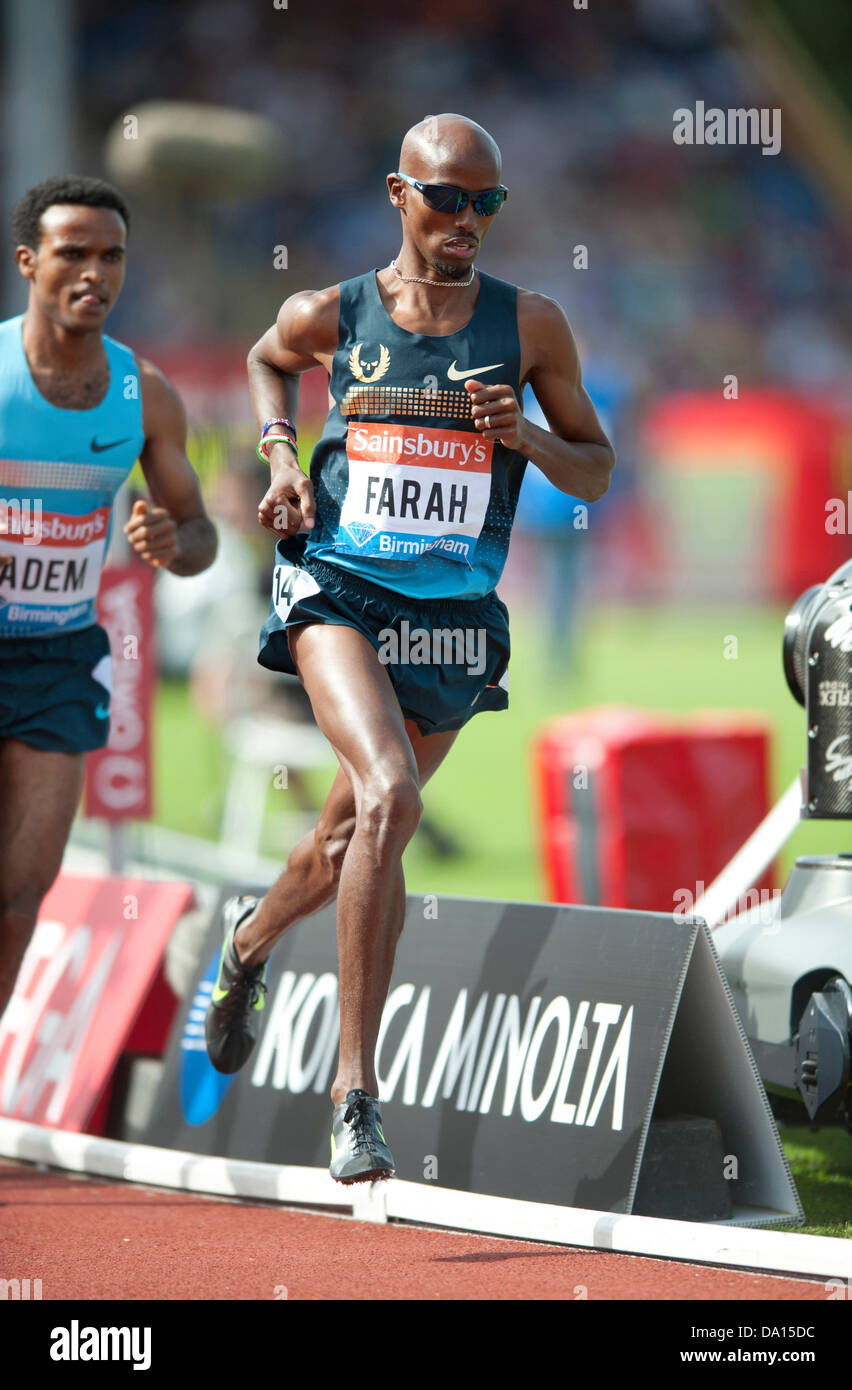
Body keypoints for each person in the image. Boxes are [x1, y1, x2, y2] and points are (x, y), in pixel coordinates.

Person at [205, 114, 614, 1183]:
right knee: (389, 795)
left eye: (488, 203)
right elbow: (264, 357)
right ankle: (356, 1097)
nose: (466, 221)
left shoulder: (532, 328)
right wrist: (281, 456)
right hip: (337, 588)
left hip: (450, 620)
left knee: (345, 846)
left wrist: (521, 433)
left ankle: (245, 942)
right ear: (400, 194)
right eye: (447, 198)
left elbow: (595, 470)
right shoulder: (332, 311)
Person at [0, 175, 218, 1025]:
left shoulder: (145, 396)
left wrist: (173, 543)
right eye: (73, 254)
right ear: (29, 262)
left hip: (58, 659)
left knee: (22, 899)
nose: (96, 272)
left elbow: (199, 533)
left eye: (112, 256)